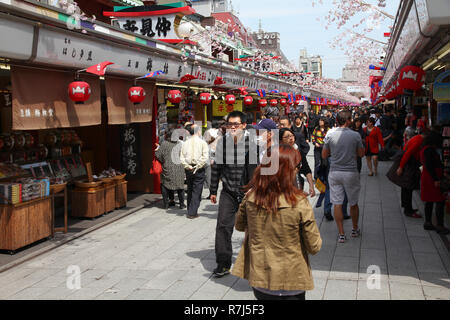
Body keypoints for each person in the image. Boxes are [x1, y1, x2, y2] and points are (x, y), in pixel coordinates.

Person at [231, 145, 322, 300]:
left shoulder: (251, 197)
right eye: (297, 166)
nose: (298, 170)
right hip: (292, 278)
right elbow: (314, 246)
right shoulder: (299, 202)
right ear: (288, 170)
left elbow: (239, 225)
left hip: (261, 277)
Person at [210, 111, 253, 277]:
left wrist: (254, 188)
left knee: (253, 229)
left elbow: (258, 171)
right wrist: (213, 190)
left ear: (243, 125)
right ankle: (223, 263)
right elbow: (217, 169)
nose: (232, 127)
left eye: (236, 124)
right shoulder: (222, 145)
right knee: (223, 226)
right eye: (230, 124)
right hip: (228, 192)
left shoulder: (252, 145)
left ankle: (252, 263)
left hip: (248, 192)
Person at [322, 111, 365, 243]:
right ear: (348, 120)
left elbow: (324, 155)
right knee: (353, 203)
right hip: (351, 172)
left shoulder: (330, 135)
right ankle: (355, 228)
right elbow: (361, 154)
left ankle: (341, 234)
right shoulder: (355, 135)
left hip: (334, 172)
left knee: (337, 203)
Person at [420, 130, 450, 235]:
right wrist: (436, 179)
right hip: (431, 178)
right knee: (440, 201)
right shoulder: (429, 150)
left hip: (428, 177)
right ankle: (440, 225)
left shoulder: (425, 148)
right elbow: (430, 165)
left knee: (429, 201)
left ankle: (428, 222)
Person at [180, 124, 209, 219]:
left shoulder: (185, 143)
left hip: (188, 169)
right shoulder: (202, 143)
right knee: (197, 190)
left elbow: (182, 158)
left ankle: (190, 209)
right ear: (198, 131)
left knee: (190, 189)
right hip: (198, 169)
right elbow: (205, 157)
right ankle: (192, 212)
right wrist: (198, 166)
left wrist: (187, 166)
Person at [396, 130, 426, 218]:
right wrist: (401, 166)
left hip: (409, 163)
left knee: (406, 187)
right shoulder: (418, 140)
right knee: (408, 186)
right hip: (410, 164)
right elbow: (408, 153)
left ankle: (407, 207)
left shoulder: (416, 138)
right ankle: (408, 210)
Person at [155, 129, 186, 209]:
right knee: (180, 186)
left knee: (165, 185)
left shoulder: (164, 144)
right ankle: (182, 204)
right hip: (179, 168)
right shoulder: (180, 144)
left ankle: (166, 204)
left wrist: (157, 151)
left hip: (167, 168)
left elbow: (158, 156)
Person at [279, 128, 315, 197]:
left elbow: (306, 169)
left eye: (292, 136)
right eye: (287, 137)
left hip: (298, 185)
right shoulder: (279, 154)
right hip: (283, 192)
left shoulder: (298, 150)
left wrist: (311, 186)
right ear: (281, 140)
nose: (291, 138)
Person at [203, 120, 222, 199]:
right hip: (219, 152)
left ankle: (212, 192)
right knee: (217, 172)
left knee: (211, 173)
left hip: (210, 152)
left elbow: (205, 142)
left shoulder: (207, 132)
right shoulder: (220, 132)